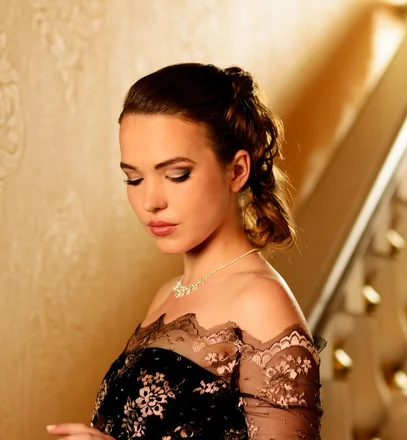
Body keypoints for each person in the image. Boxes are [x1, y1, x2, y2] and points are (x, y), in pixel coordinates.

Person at [46, 63, 323, 439]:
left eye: (176, 174)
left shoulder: (260, 301)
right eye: (134, 178)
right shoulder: (168, 294)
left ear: (237, 170)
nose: (150, 201)